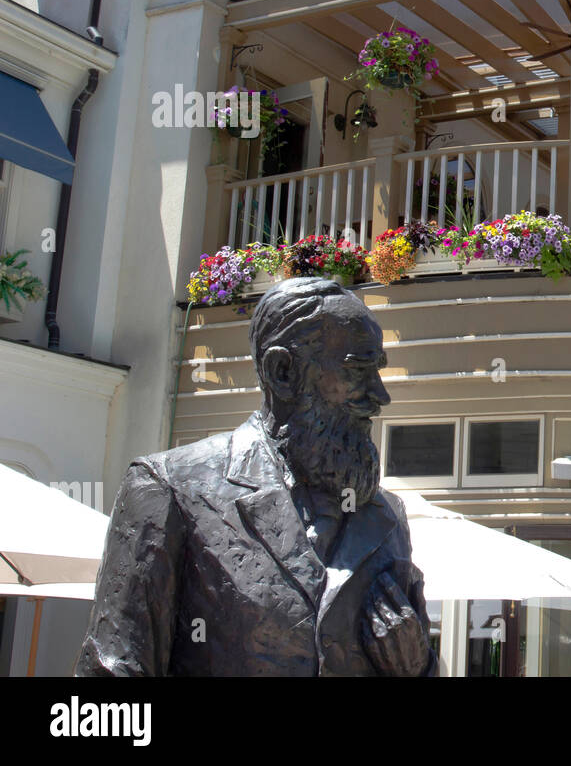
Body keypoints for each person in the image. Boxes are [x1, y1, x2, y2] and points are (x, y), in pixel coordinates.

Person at [76, 277, 435, 676]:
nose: (380, 396)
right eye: (359, 371)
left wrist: (416, 668)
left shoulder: (387, 518)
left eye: (378, 372)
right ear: (282, 372)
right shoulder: (169, 489)